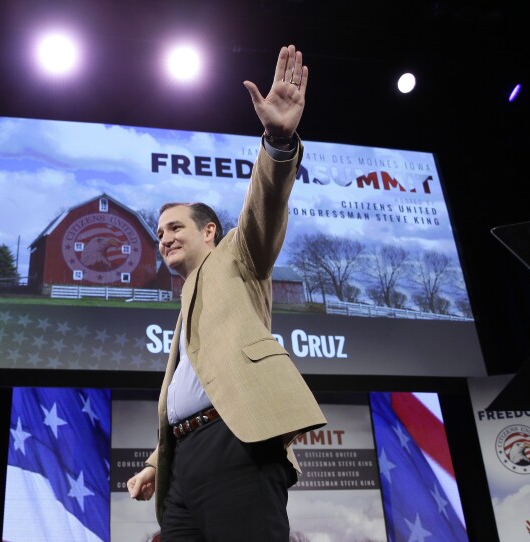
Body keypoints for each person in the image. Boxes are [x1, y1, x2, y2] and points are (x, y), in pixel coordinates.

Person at [126, 45, 326, 541]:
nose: (164, 238)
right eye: (159, 233)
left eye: (175, 227)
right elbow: (195, 389)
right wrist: (155, 463)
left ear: (210, 231)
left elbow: (265, 205)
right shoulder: (186, 303)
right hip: (183, 463)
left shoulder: (239, 255)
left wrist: (278, 141)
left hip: (237, 445)